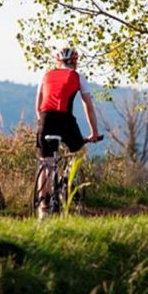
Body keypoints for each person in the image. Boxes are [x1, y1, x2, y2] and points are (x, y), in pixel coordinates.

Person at [35, 46, 100, 216]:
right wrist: (94, 132)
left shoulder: (46, 75)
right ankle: (69, 185)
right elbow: (89, 108)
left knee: (46, 163)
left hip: (45, 119)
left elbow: (38, 105)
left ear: (58, 61)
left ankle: (43, 208)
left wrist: (42, 122)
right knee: (78, 152)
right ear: (75, 63)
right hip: (65, 120)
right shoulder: (78, 78)